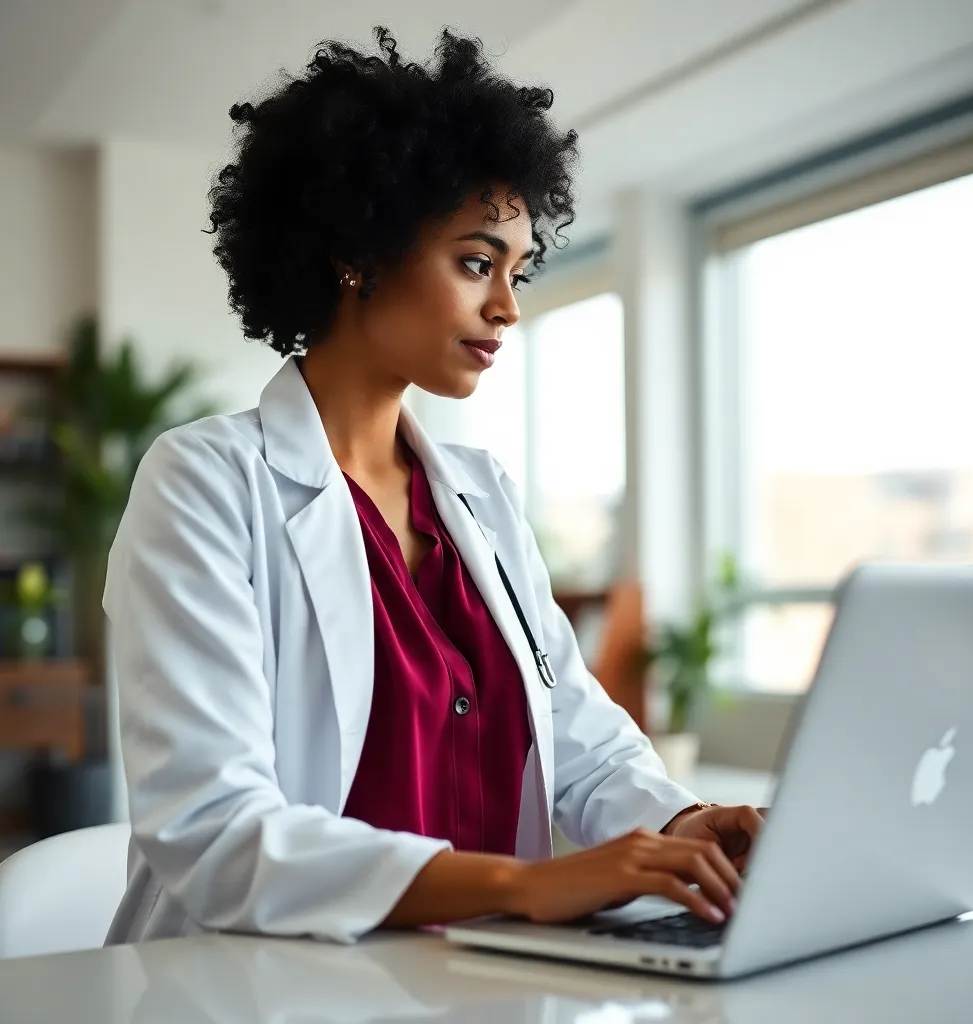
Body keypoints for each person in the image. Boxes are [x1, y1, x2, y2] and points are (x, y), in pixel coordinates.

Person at [104, 26, 764, 947]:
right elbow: (214, 828)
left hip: (480, 984)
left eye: (517, 271)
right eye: (475, 262)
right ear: (360, 252)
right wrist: (529, 885)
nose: (507, 305)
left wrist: (684, 828)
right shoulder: (205, 485)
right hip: (262, 987)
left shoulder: (480, 499)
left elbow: (577, 738)